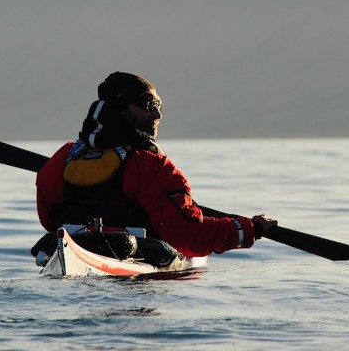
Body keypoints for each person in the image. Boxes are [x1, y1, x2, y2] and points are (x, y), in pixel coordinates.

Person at [35, 71, 277, 258]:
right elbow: (190, 237)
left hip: (74, 257)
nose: (157, 116)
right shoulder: (152, 167)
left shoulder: (64, 157)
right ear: (120, 109)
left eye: (159, 107)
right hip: (134, 273)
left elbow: (49, 220)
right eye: (147, 106)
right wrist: (250, 228)